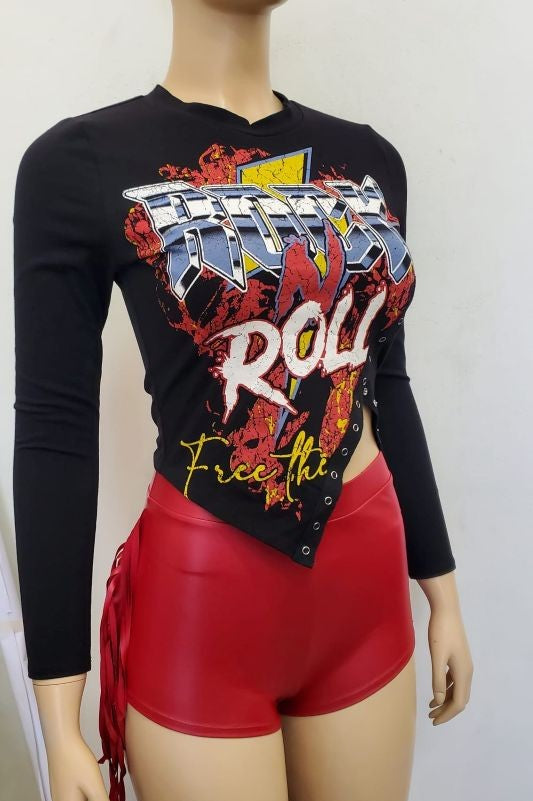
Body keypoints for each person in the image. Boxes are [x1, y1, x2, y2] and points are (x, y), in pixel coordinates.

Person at [12, 1, 473, 800]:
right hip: (205, 598)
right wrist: (59, 710)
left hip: (364, 586)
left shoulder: (368, 161)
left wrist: (442, 590)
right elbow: (57, 429)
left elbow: (383, 381)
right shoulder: (80, 162)